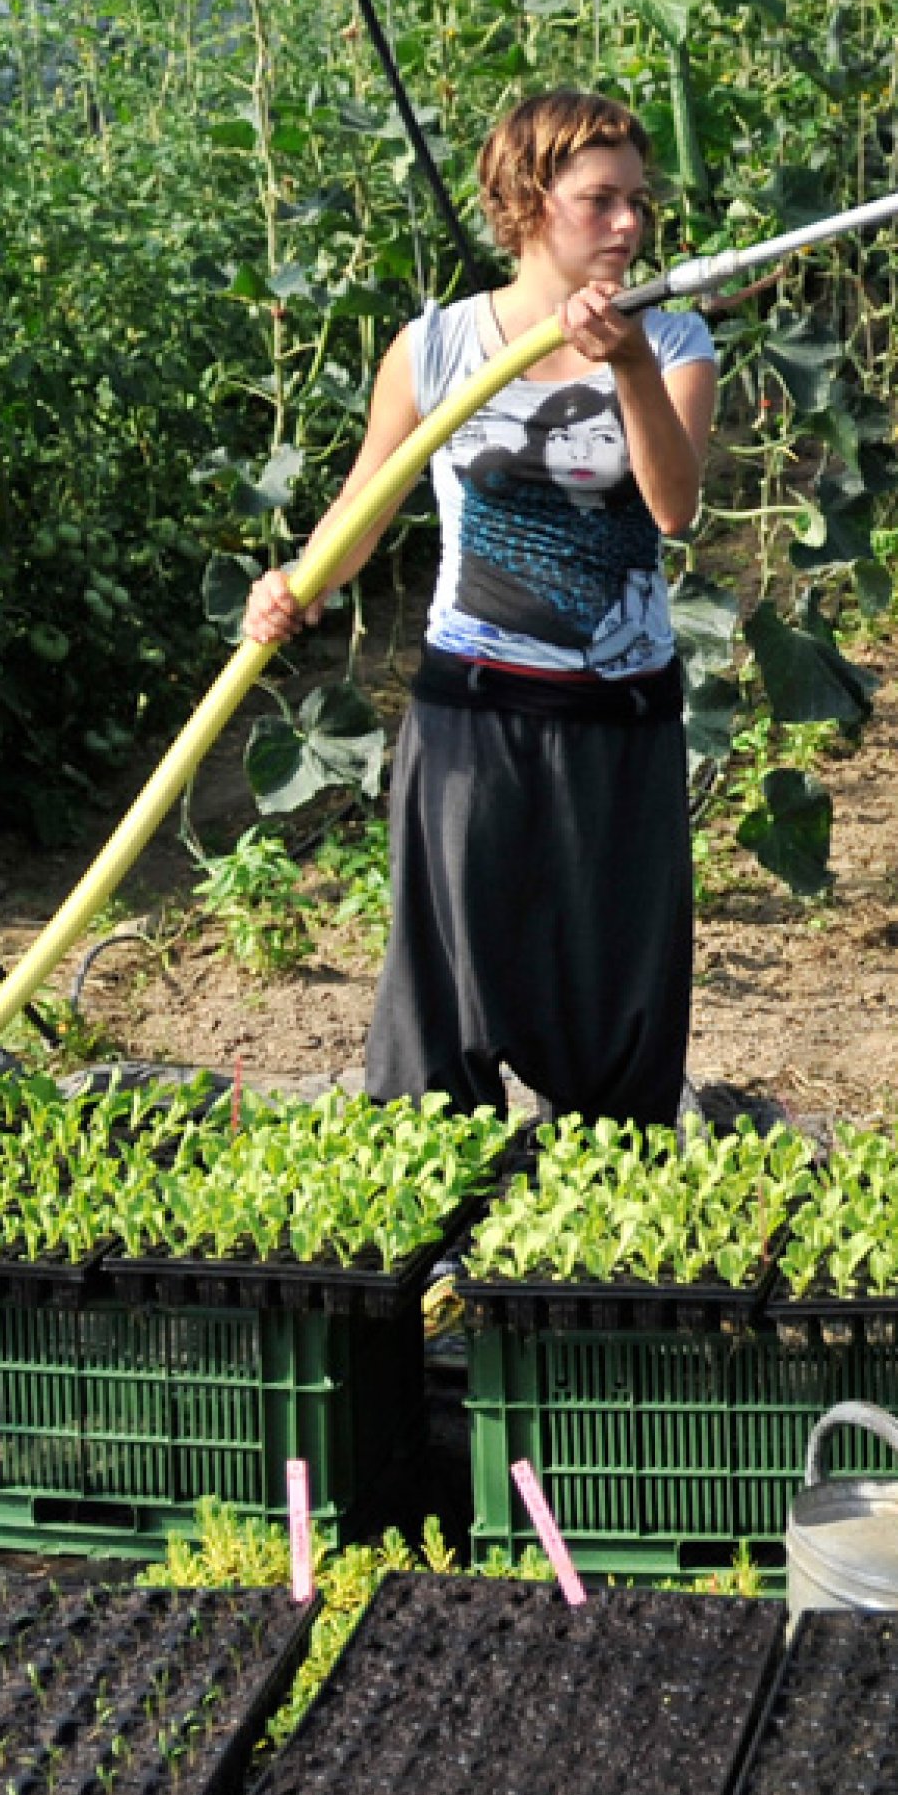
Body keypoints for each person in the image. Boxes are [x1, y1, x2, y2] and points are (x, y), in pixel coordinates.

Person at [243, 90, 718, 1125]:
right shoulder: (438, 347)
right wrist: (295, 586)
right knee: (446, 989)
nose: (629, 223)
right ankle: (440, 1198)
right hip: (473, 715)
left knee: (617, 998)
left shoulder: (674, 341)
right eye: (600, 200)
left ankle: (606, 1197)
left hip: (619, 719)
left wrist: (629, 362)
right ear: (527, 200)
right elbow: (364, 506)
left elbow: (672, 507)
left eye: (638, 201)